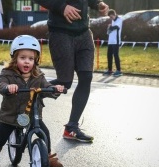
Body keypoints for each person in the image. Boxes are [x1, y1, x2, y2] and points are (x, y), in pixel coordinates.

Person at [0, 35, 65, 167]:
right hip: (11, 114)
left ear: (36, 60)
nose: (27, 62)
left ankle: (48, 157)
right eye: (23, 58)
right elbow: (0, 84)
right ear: (15, 58)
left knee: (44, 132)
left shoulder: (38, 76)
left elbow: (46, 88)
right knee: (1, 136)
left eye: (31, 59)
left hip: (32, 114)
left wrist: (55, 89)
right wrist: (8, 88)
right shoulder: (8, 73)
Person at [33, 0, 109, 142]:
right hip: (60, 33)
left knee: (86, 78)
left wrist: (98, 4)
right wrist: (62, 7)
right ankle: (31, 95)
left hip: (84, 32)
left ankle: (71, 127)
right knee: (65, 82)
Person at [103, 9, 123, 77]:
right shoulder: (112, 20)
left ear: (114, 14)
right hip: (110, 41)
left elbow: (116, 27)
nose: (111, 18)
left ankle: (119, 70)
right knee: (109, 55)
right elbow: (110, 29)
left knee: (116, 55)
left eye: (111, 17)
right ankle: (110, 70)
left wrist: (110, 27)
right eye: (110, 17)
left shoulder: (119, 20)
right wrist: (109, 28)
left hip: (116, 41)